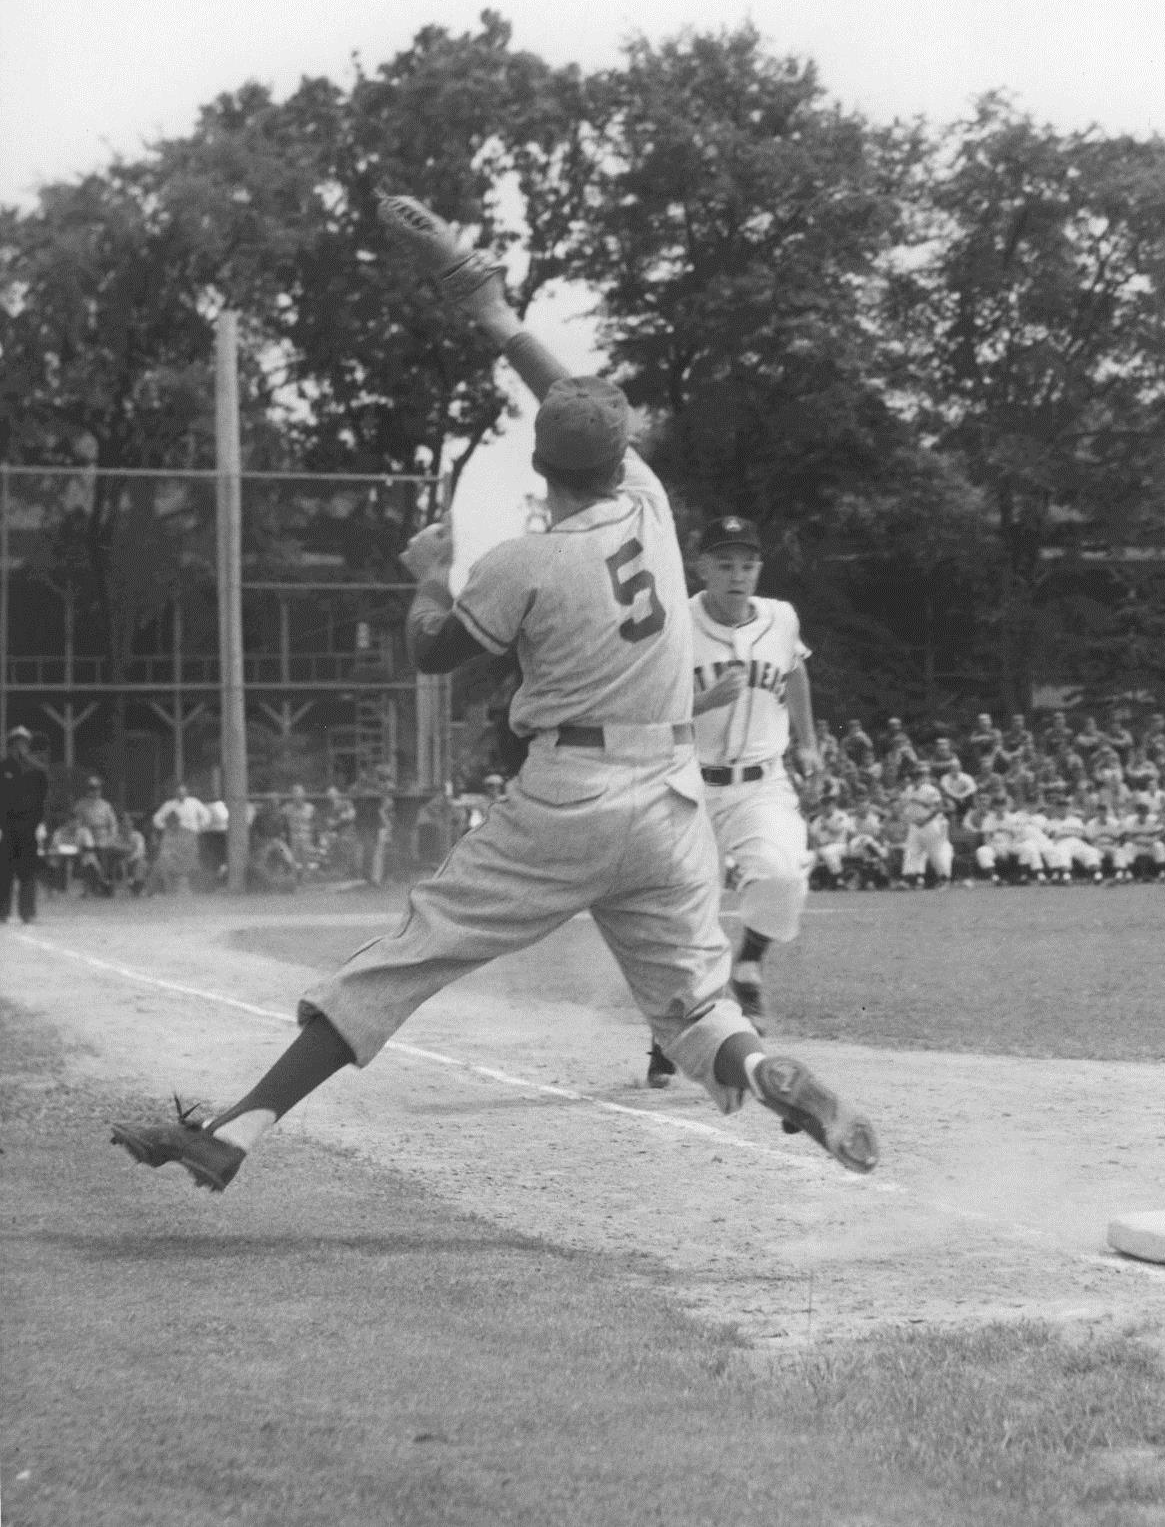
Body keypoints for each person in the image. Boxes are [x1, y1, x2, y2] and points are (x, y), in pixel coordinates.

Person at [111, 197, 877, 1192]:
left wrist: (429, 573)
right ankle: (772, 1072)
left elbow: (434, 654)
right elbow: (568, 395)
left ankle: (238, 1130)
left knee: (409, 956)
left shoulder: (526, 559)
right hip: (673, 795)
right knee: (691, 1005)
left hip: (571, 796)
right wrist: (495, 311)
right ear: (619, 450)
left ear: (538, 463)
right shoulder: (652, 505)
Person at [644, 512, 823, 1087]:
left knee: (781, 875)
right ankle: (667, 1034)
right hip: (687, 780)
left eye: (747, 564)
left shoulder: (781, 617)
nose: (737, 575)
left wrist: (810, 743)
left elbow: (795, 672)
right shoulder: (676, 621)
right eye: (725, 564)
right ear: (701, 569)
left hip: (762, 781)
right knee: (680, 917)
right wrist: (700, 700)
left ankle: (748, 964)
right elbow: (646, 703)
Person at [1, 725, 49, 924]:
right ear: (11, 745)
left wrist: (42, 824)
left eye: (24, 744)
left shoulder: (36, 771)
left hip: (29, 826)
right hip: (7, 826)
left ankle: (27, 911)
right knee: (4, 871)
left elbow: (43, 799)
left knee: (28, 871)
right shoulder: (3, 768)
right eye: (17, 743)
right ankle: (2, 911)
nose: (20, 748)